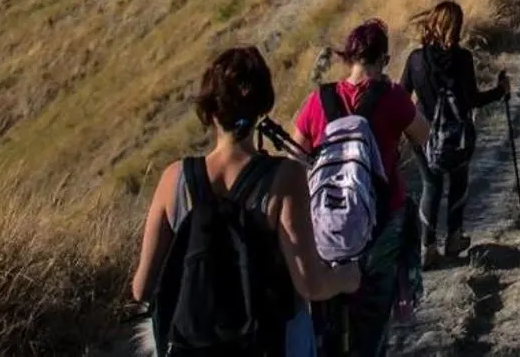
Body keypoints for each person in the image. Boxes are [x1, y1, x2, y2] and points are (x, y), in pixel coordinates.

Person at [132, 47, 359, 357]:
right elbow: (310, 284)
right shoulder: (285, 177)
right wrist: (347, 277)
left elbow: (141, 288)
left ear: (210, 110)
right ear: (261, 108)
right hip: (267, 344)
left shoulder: (174, 178)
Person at [292, 22, 429, 357]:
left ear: (348, 57)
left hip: (326, 225)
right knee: (372, 314)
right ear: (383, 58)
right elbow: (424, 137)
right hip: (382, 217)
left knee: (327, 315)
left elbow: (294, 158)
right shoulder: (393, 96)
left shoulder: (318, 100)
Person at [400, 1, 509, 269]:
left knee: (430, 185)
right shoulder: (462, 59)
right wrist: (500, 90)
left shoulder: (415, 59)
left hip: (423, 133)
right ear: (456, 27)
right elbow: (472, 99)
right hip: (457, 133)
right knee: (458, 181)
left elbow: (401, 97)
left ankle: (427, 247)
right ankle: (453, 238)